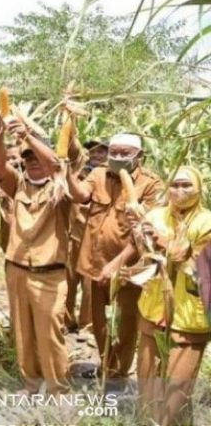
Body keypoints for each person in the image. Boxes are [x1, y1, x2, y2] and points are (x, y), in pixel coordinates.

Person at [0, 114, 79, 395]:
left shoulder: (60, 188)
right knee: (23, 333)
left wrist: (28, 135)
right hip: (17, 269)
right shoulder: (18, 184)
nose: (32, 161)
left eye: (36, 157)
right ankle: (32, 383)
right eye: (27, 157)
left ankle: (57, 390)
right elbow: (0, 167)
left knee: (50, 335)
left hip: (48, 274)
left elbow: (57, 165)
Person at [67, 133, 163, 380]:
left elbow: (143, 234)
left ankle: (118, 373)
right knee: (99, 323)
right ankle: (106, 364)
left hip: (129, 270)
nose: (117, 158)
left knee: (125, 323)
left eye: (124, 154)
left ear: (139, 156)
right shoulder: (98, 174)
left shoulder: (151, 185)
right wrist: (65, 174)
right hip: (94, 263)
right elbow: (80, 195)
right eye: (114, 153)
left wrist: (117, 263)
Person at [135, 166, 211, 425]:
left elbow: (196, 266)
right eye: (175, 185)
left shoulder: (207, 223)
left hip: (188, 320)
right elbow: (145, 257)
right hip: (153, 312)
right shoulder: (155, 216)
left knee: (175, 398)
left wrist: (167, 244)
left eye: (186, 186)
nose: (179, 191)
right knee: (147, 392)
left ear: (199, 190)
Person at [64, 140, 107, 332]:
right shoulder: (77, 174)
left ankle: (87, 325)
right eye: (93, 152)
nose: (96, 155)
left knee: (90, 282)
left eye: (101, 152)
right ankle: (65, 320)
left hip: (95, 237)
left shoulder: (109, 178)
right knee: (68, 279)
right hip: (74, 234)